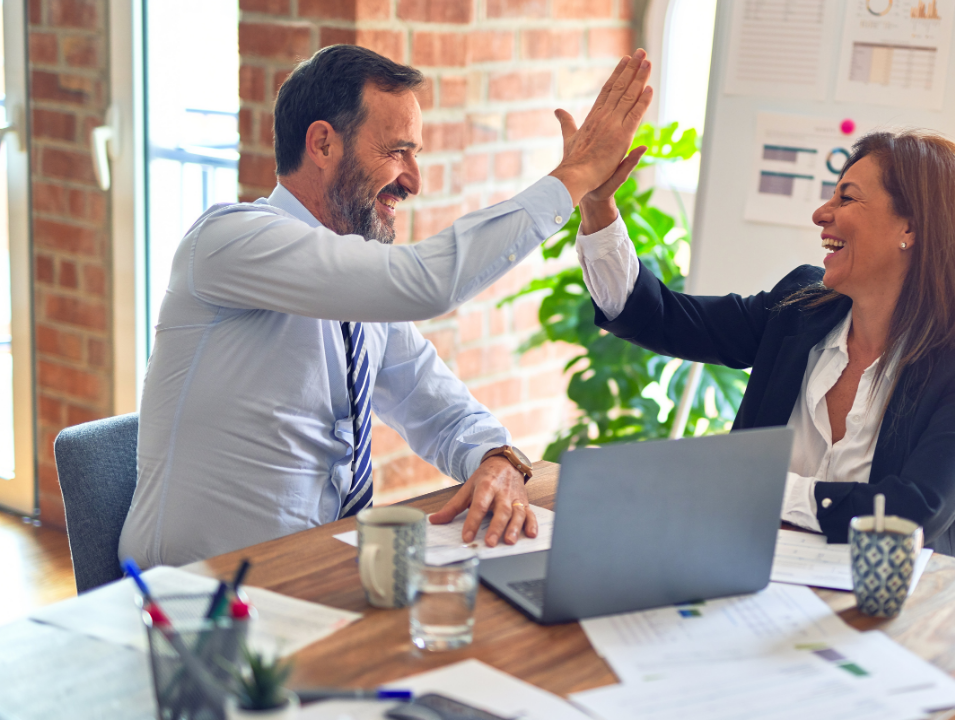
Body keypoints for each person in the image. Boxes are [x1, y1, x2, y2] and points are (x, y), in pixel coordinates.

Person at [119, 44, 653, 568]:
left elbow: (438, 407)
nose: (414, 180)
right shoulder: (229, 241)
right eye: (398, 151)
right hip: (195, 601)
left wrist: (497, 458)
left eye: (415, 154)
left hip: (317, 578)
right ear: (323, 144)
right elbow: (427, 282)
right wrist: (575, 176)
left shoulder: (359, 291)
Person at [574, 130, 955, 554]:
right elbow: (660, 318)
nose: (821, 214)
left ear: (910, 229)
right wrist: (598, 206)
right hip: (748, 576)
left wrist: (759, 487)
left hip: (886, 611)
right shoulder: (799, 309)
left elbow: (910, 515)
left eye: (846, 198)